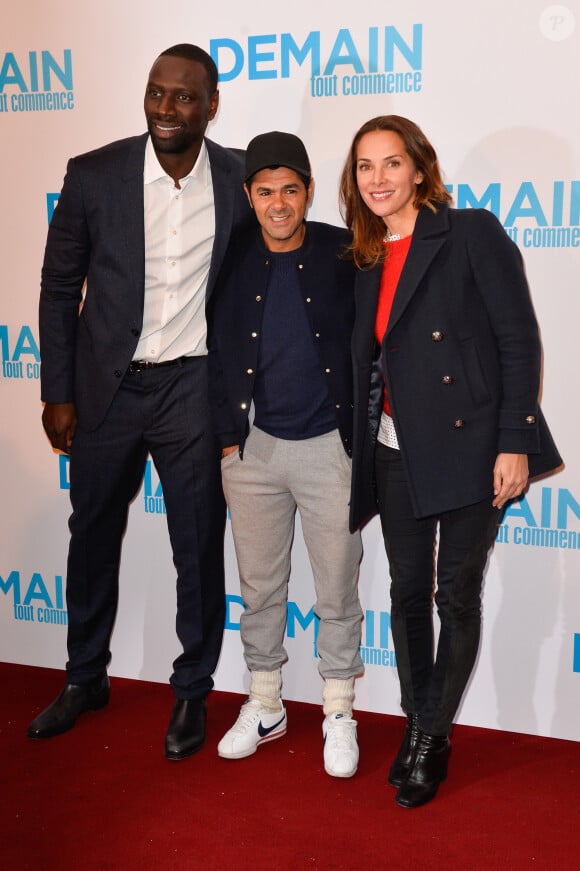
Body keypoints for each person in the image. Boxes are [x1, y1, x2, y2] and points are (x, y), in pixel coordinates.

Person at [28, 44, 252, 760]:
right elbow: (60, 289)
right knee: (92, 534)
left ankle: (191, 689)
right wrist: (57, 390)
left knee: (196, 543)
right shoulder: (94, 175)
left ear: (211, 105)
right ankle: (84, 676)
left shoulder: (241, 178)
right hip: (106, 387)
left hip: (191, 384)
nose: (164, 108)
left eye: (183, 97)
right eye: (156, 93)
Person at [339, 115, 562, 807]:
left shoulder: (469, 233)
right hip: (394, 450)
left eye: (391, 163)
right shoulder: (365, 257)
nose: (378, 178)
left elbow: (518, 340)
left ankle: (433, 739)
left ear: (419, 169)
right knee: (406, 593)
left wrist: (515, 441)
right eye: (365, 167)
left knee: (453, 595)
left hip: (471, 450)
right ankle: (418, 721)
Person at [207, 131, 364, 777]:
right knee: (260, 588)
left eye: (290, 190)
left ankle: (338, 709)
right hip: (252, 452)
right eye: (265, 191)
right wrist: (223, 436)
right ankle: (265, 701)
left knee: (336, 588)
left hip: (331, 448)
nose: (278, 203)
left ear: (307, 192)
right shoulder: (225, 254)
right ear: (248, 194)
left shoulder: (345, 251)